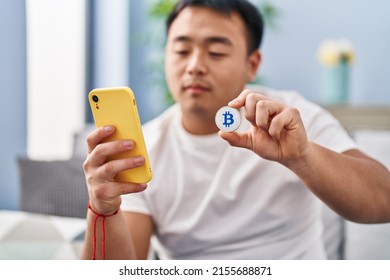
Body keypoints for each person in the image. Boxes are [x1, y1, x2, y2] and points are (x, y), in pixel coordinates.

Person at [81, 0, 390, 260]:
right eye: (181, 50)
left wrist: (303, 156)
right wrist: (103, 208)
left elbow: (383, 201)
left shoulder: (293, 117)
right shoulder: (140, 150)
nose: (195, 66)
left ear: (252, 64)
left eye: (216, 53)